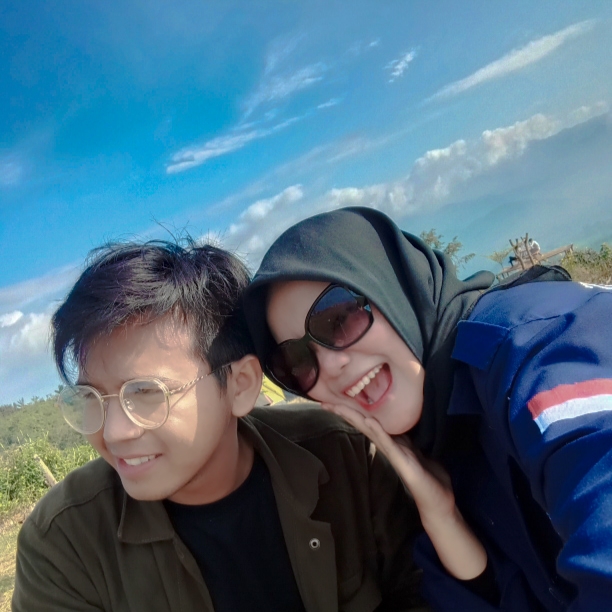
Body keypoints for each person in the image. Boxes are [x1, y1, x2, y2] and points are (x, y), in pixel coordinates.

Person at [12, 238, 431, 612]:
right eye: (92, 397)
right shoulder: (65, 543)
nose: (114, 432)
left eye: (146, 393)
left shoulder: (346, 457)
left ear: (240, 385)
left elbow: (422, 593)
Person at [243, 207, 612, 612]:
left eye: (339, 319)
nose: (329, 365)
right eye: (296, 361)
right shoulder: (435, 446)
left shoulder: (533, 349)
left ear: (395, 287)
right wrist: (444, 519)